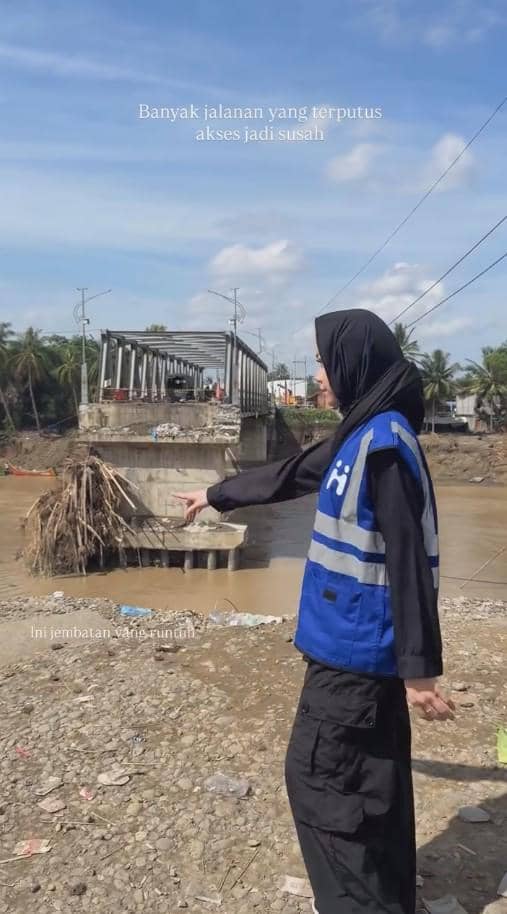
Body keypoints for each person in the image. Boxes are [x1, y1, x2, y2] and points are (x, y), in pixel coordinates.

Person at [174, 309, 455, 914]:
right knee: (373, 789)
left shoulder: (379, 446)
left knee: (323, 789)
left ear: (354, 365)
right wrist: (217, 495)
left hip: (352, 661)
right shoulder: (363, 434)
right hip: (360, 654)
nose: (319, 375)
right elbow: (293, 473)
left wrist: (419, 669)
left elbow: (407, 558)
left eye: (325, 361)